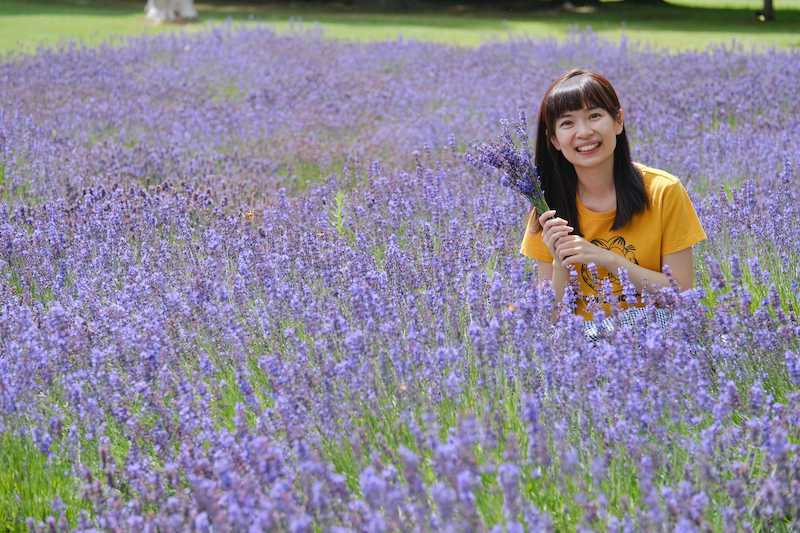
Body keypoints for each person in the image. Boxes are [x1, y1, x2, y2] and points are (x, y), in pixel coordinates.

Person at [519, 69, 706, 323]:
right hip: (584, 348)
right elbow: (550, 321)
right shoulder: (547, 206)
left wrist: (605, 258)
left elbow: (682, 292)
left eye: (594, 116)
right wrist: (559, 263)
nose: (583, 132)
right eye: (567, 123)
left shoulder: (664, 191)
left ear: (618, 121)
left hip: (659, 339)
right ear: (554, 140)